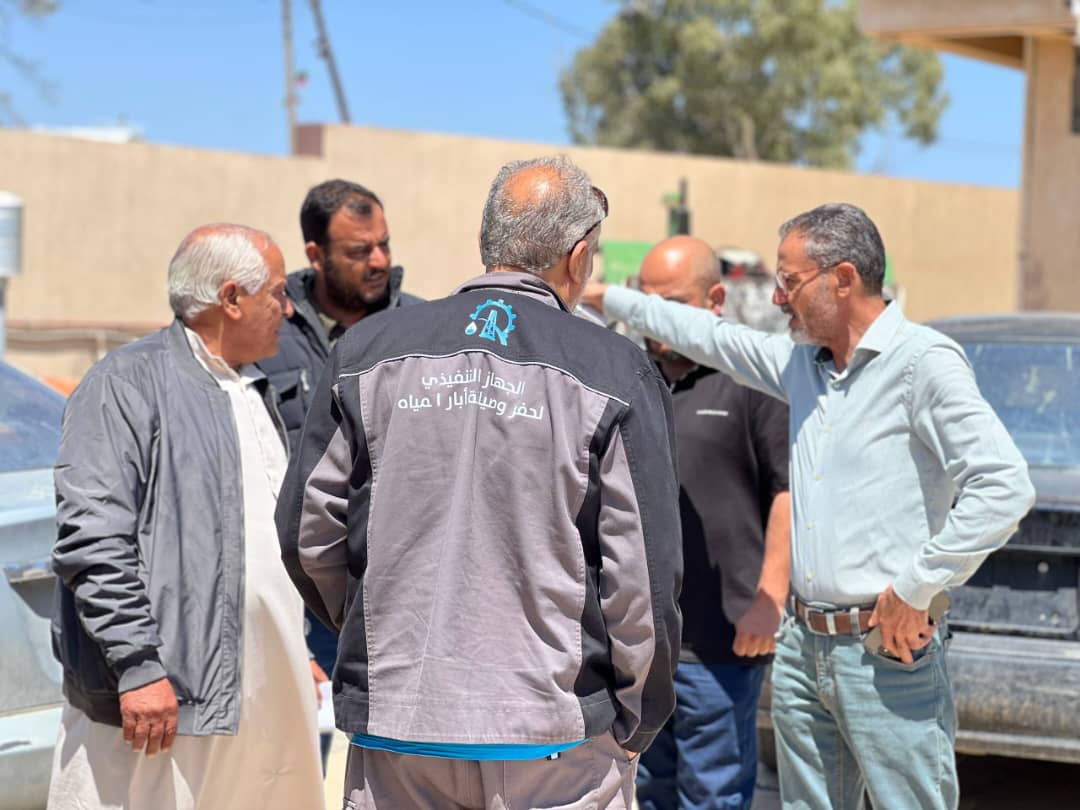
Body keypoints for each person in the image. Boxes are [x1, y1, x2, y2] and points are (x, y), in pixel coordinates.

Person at [583, 203, 1036, 810]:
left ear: (842, 279)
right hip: (802, 650)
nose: (777, 298)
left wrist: (918, 586)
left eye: (789, 281)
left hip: (884, 652)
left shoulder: (922, 363)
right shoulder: (802, 366)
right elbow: (707, 335)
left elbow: (1004, 486)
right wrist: (606, 296)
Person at [277, 155, 683, 810]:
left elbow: (307, 536)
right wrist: (638, 719)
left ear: (486, 243)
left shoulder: (364, 352)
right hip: (555, 741)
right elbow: (641, 579)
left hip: (400, 732)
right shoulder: (615, 369)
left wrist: (379, 628)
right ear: (580, 257)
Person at [48, 224, 323, 810]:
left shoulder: (254, 389)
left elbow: (255, 543)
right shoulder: (126, 383)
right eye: (277, 293)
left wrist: (294, 649)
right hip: (165, 701)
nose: (289, 308)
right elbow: (94, 539)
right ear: (230, 298)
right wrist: (138, 666)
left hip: (262, 698)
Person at [257, 178, 422, 766]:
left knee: (403, 768)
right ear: (315, 254)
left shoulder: (425, 331)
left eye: (383, 244)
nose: (379, 261)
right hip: (292, 596)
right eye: (358, 250)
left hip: (397, 597)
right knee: (291, 765)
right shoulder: (267, 333)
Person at [630, 236, 790, 810]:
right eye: (644, 301)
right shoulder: (628, 377)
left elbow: (789, 491)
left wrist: (770, 599)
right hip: (638, 645)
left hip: (722, 642)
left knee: (713, 793)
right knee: (648, 793)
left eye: (670, 302)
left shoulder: (752, 379)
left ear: (714, 299)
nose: (654, 317)